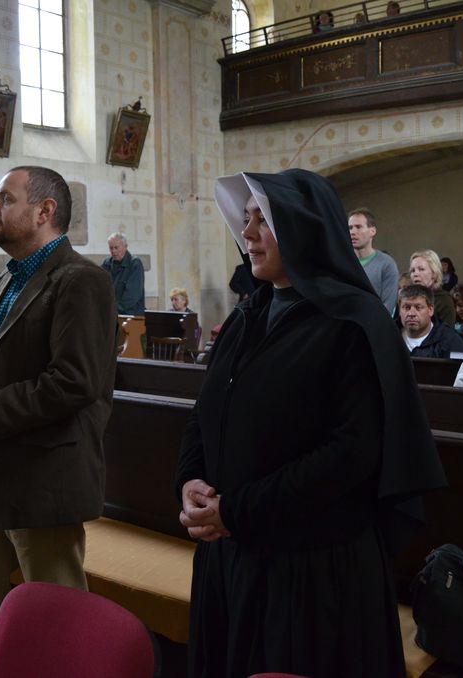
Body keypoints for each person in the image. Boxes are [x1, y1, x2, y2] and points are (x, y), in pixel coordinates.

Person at [179, 168, 444, 678]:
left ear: (303, 229)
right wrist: (190, 480)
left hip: (310, 571)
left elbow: (351, 455)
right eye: (246, 219)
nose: (247, 233)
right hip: (231, 553)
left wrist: (235, 509)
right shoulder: (247, 315)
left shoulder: (356, 324)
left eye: (262, 220)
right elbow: (206, 411)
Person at [0, 166, 117, 677]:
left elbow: (74, 383)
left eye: (5, 199)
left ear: (44, 210)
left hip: (44, 478)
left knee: (54, 615)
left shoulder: (81, 280)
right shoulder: (11, 278)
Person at [348, 208, 399, 314]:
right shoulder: (342, 262)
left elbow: (388, 306)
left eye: (358, 227)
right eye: (350, 228)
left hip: (374, 322)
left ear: (372, 231)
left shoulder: (386, 264)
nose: (352, 232)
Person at [399, 285, 463, 358]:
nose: (411, 314)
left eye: (418, 308)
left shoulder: (450, 340)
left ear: (430, 310)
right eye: (406, 308)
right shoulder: (391, 336)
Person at [102, 232, 145, 315]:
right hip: (112, 314)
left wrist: (112, 310)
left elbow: (132, 296)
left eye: (116, 247)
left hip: (131, 315)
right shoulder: (107, 263)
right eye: (111, 248)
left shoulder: (135, 264)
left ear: (125, 247)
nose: (113, 251)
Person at [409, 249, 456, 326]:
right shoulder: (408, 299)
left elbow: (447, 331)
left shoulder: (444, 301)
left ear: (434, 273)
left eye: (421, 269)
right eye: (412, 270)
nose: (415, 274)